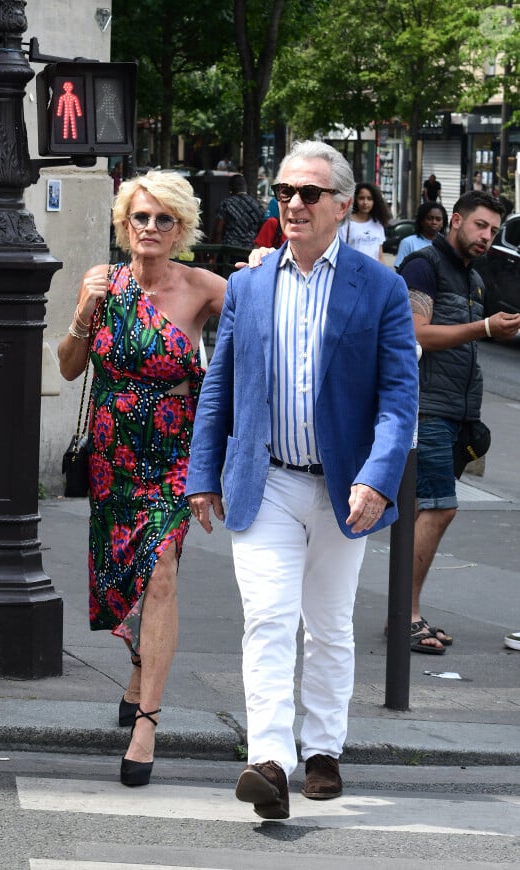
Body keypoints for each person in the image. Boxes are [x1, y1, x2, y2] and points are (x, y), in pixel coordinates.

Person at [186, 140, 419, 820]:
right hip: (268, 480)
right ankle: (269, 761)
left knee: (329, 625)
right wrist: (204, 473)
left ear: (343, 206)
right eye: (284, 191)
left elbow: (400, 397)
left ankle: (322, 749)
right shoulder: (252, 283)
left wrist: (379, 477)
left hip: (346, 485)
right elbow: (220, 384)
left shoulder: (381, 287)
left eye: (309, 194)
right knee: (268, 619)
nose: (292, 203)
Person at [57, 170, 226, 787]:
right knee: (122, 580)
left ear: (181, 229)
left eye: (163, 220)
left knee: (160, 572)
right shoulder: (104, 284)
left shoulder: (206, 288)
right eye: (140, 218)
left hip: (173, 456)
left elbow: (258, 333)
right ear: (124, 224)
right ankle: (137, 673)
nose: (150, 228)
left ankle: (147, 722)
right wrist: (82, 312)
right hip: (111, 456)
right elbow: (71, 370)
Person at [398, 191, 520, 654]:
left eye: (492, 230)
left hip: (456, 413)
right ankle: (405, 616)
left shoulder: (473, 278)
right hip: (426, 409)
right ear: (456, 220)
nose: (486, 237)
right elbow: (417, 334)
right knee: (437, 507)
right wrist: (486, 328)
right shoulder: (424, 265)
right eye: (480, 226)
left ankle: (406, 613)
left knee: (424, 510)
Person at [338, 182, 389, 263]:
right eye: (361, 198)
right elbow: (340, 253)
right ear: (355, 199)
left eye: (369, 199)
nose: (365, 202)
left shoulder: (378, 224)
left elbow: (380, 256)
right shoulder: (345, 224)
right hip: (354, 271)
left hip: (374, 272)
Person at [211, 174, 265, 248]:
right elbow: (262, 229)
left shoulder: (226, 204)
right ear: (246, 187)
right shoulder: (258, 205)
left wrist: (213, 254)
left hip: (230, 250)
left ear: (230, 188)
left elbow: (218, 230)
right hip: (250, 251)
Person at [394, 201, 448, 269]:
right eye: (429, 218)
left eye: (438, 219)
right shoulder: (408, 242)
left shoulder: (447, 245)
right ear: (421, 221)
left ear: (443, 223)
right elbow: (399, 270)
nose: (434, 222)